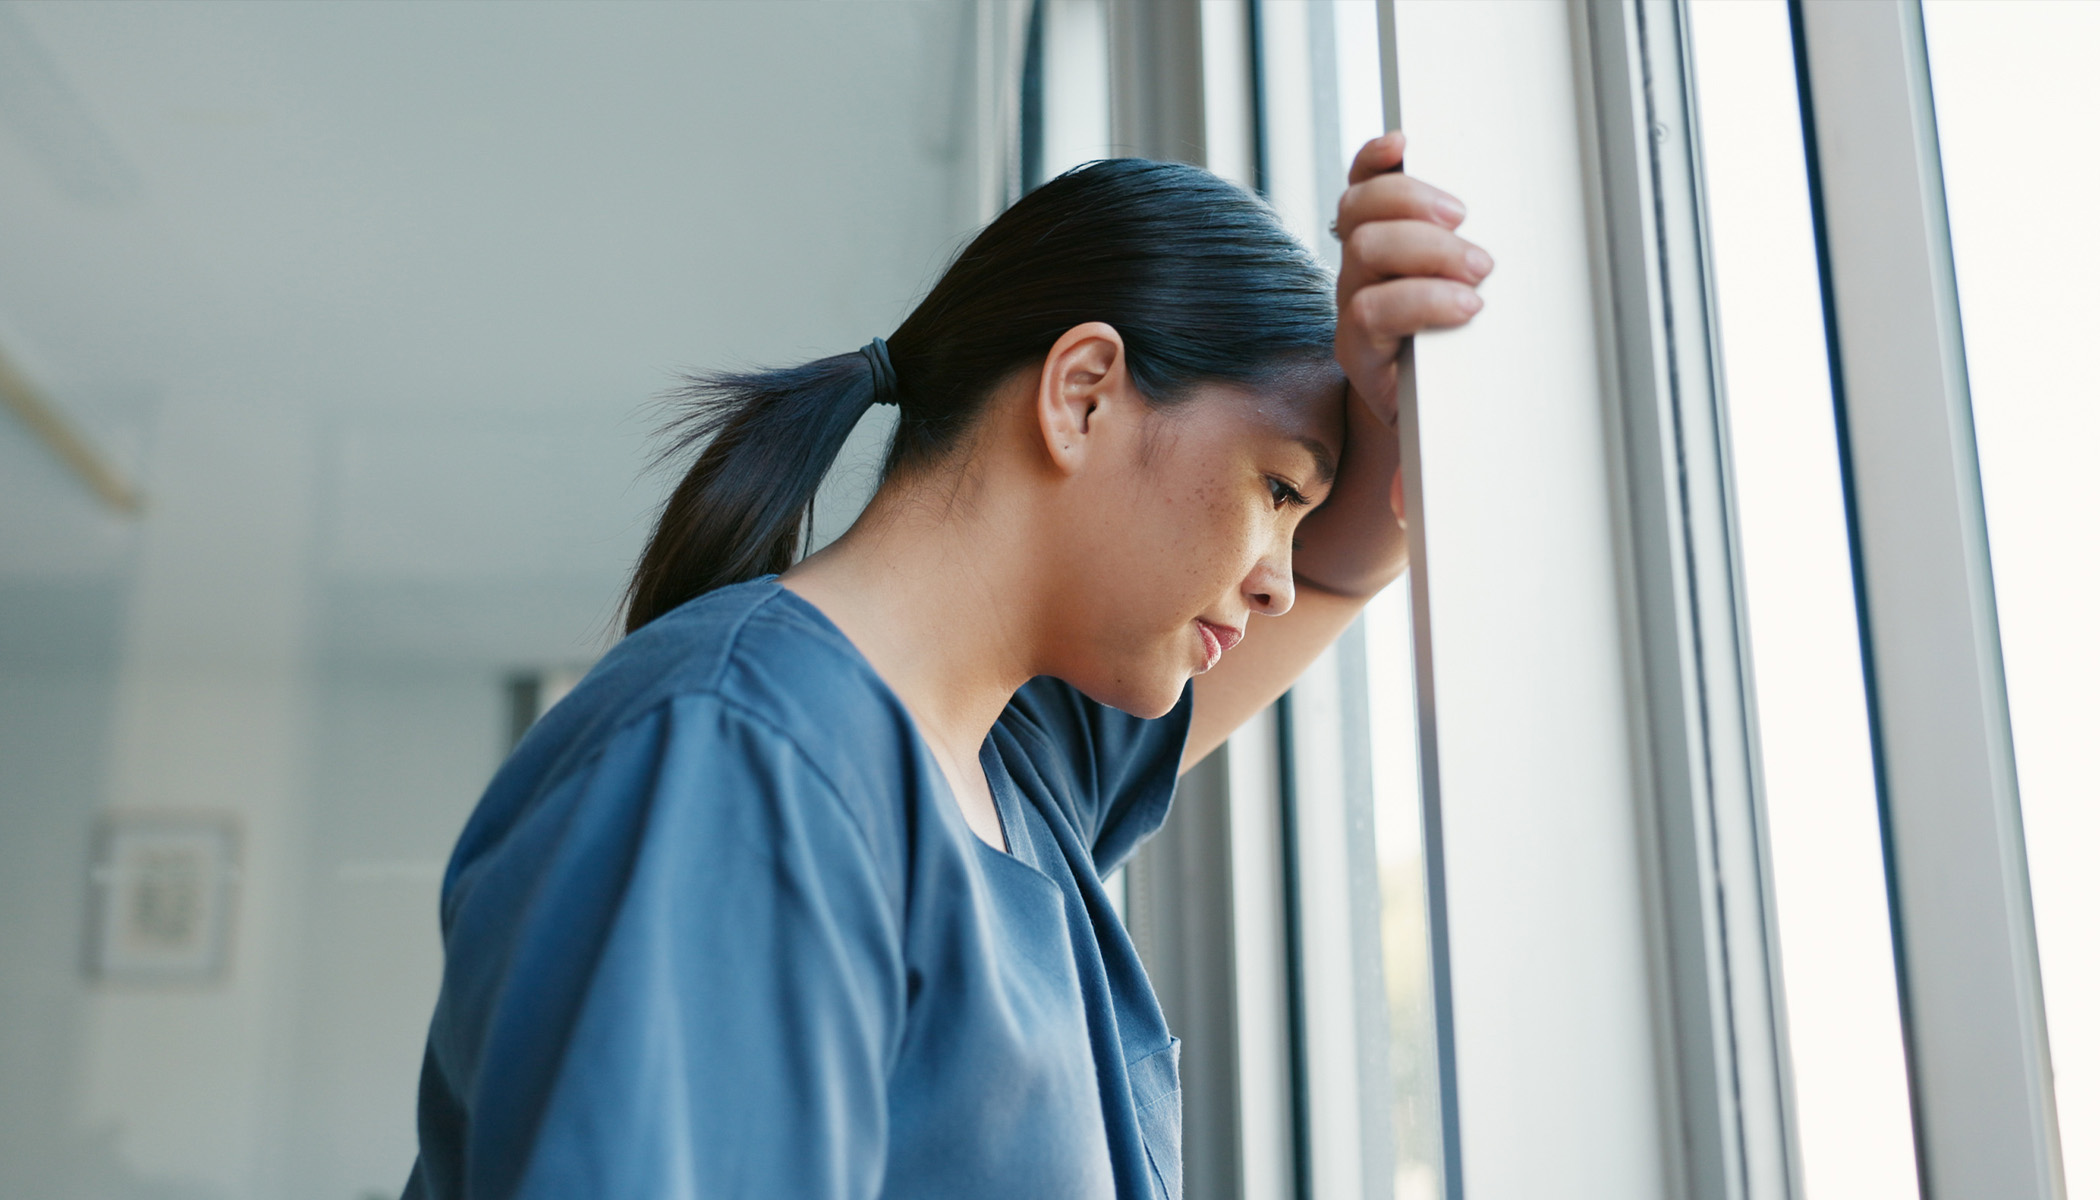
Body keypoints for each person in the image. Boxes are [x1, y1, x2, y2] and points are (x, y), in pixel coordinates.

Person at [404, 133, 1488, 1200]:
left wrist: (1400, 384)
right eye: (1280, 492)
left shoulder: (1017, 769)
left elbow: (1348, 568)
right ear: (1085, 394)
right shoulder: (732, 762)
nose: (1280, 582)